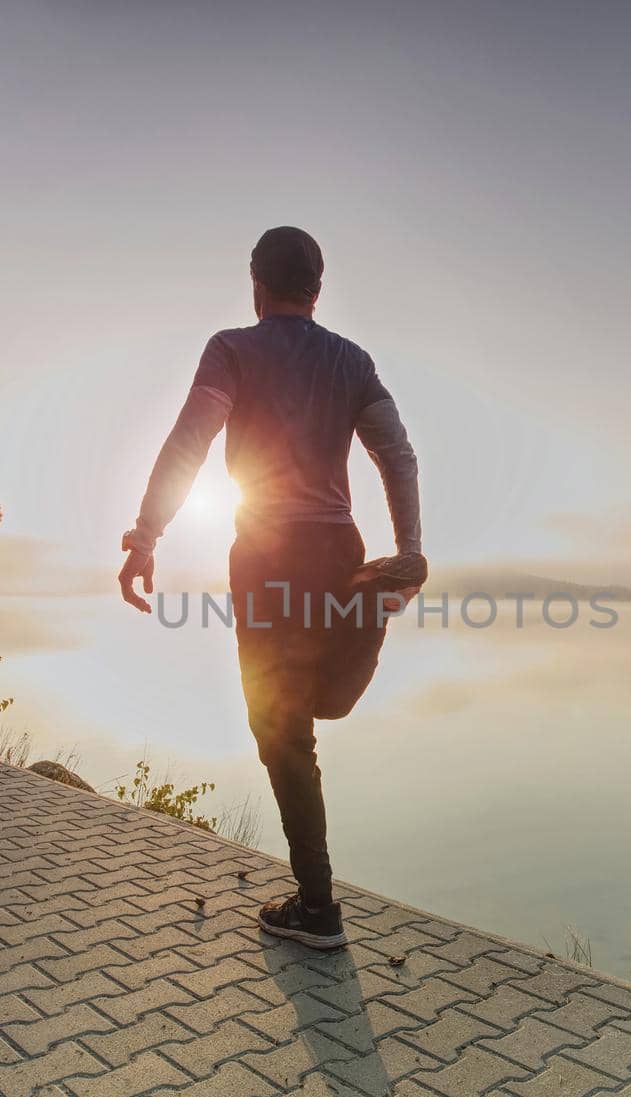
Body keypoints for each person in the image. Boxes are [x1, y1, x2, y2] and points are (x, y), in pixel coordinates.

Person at [118, 226, 424, 950]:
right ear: (317, 290)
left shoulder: (233, 349)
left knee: (282, 731)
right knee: (314, 707)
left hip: (266, 555)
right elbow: (396, 452)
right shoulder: (353, 362)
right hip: (339, 547)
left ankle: (317, 911)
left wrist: (145, 535)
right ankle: (366, 603)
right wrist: (409, 548)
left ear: (256, 285)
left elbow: (191, 439)